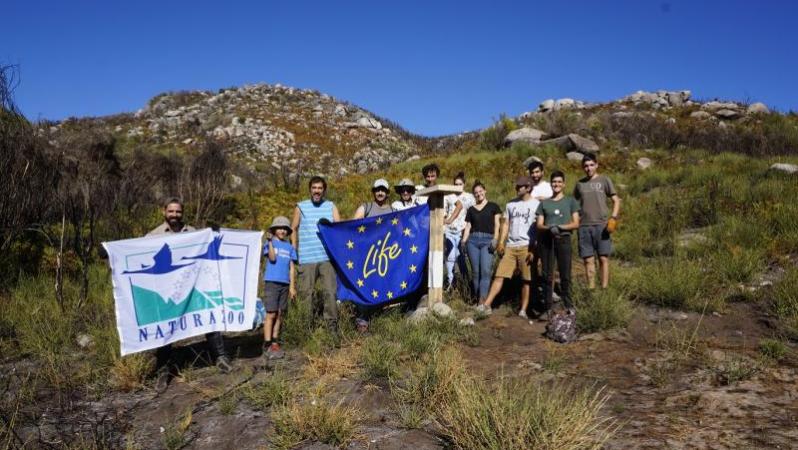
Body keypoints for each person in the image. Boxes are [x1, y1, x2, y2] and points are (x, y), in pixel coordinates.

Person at [147, 198, 233, 393]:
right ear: (164, 212)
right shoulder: (153, 235)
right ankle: (162, 369)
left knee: (209, 318)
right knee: (166, 328)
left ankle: (220, 357)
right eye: (171, 211)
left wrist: (217, 236)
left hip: (193, 288)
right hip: (169, 291)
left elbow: (209, 247)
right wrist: (110, 251)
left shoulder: (194, 233)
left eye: (178, 212)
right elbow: (135, 250)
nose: (175, 215)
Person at [475, 176, 539, 317]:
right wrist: (501, 243)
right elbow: (506, 225)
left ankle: (523, 310)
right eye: (516, 186)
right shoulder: (511, 204)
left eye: (520, 186)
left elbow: (537, 228)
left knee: (526, 279)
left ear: (528, 187)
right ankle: (486, 305)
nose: (517, 188)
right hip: (511, 245)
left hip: (526, 246)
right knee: (499, 275)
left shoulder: (536, 204)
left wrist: (533, 250)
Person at [291, 176, 341, 331]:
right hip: (306, 258)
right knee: (306, 295)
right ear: (310, 189)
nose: (317, 191)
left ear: (324, 190)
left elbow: (339, 228)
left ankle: (331, 328)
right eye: (314, 188)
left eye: (320, 188)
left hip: (327, 258)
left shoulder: (331, 206)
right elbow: (293, 228)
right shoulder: (300, 207)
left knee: (330, 293)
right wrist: (294, 249)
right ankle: (305, 329)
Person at [352, 179, 396, 332]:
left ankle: (379, 317)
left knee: (382, 285)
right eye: (377, 190)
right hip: (366, 256)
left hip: (384, 256)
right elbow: (353, 225)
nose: (380, 193)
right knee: (365, 285)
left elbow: (400, 230)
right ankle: (362, 319)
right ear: (373, 192)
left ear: (387, 193)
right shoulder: (366, 207)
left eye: (383, 190)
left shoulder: (392, 210)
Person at [574, 153, 621, 289]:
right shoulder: (579, 184)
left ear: (596, 165)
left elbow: (616, 200)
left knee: (603, 258)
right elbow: (574, 205)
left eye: (591, 165)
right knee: (588, 260)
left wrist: (613, 217)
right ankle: (592, 289)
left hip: (602, 226)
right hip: (584, 227)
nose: (588, 168)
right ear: (583, 168)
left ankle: (604, 288)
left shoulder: (604, 180)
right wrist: (575, 221)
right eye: (585, 166)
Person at [536, 171, 580, 314]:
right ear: (551, 184)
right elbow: (539, 225)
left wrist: (560, 227)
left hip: (563, 239)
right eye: (554, 182)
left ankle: (568, 304)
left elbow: (575, 223)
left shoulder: (570, 201)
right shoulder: (544, 203)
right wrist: (549, 228)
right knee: (547, 274)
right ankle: (548, 307)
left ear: (564, 184)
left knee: (565, 274)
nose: (557, 184)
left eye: (559, 182)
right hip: (547, 240)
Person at [261, 216, 297, 360]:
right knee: (271, 313)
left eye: (284, 229)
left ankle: (275, 341)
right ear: (274, 230)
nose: (282, 231)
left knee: (281, 314)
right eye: (279, 228)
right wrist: (269, 242)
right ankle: (267, 343)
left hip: (285, 283)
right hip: (272, 282)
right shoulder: (270, 243)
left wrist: (292, 287)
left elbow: (292, 267)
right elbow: (272, 258)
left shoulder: (289, 247)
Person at [461, 181, 501, 303]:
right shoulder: (471, 209)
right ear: (474, 195)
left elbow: (497, 225)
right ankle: (477, 298)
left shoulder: (493, 206)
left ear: (485, 191)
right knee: (476, 272)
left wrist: (495, 239)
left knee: (485, 271)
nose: (478, 194)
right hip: (472, 241)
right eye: (476, 193)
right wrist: (463, 241)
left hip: (488, 241)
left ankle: (482, 301)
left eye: (480, 191)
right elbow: (468, 226)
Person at [444, 172, 474, 290]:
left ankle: (466, 284)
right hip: (450, 231)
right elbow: (445, 212)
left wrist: (469, 229)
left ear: (464, 184)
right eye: (455, 184)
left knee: (462, 258)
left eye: (460, 184)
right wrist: (446, 222)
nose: (458, 186)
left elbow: (473, 213)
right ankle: (451, 284)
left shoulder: (470, 197)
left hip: (463, 231)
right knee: (450, 258)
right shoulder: (449, 196)